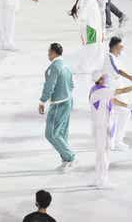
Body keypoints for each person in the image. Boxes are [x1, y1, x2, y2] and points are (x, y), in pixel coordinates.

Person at [89, 69, 132, 189]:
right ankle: (102, 181)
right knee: (104, 154)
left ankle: (98, 178)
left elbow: (112, 100)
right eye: (104, 77)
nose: (106, 78)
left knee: (102, 154)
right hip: (101, 127)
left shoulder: (98, 89)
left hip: (102, 126)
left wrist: (127, 106)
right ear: (99, 80)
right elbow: (120, 91)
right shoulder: (100, 91)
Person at [38, 43, 75, 171]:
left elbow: (49, 85)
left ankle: (69, 156)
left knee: (51, 133)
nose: (48, 54)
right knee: (62, 132)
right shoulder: (66, 66)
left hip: (59, 104)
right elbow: (71, 84)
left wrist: (42, 101)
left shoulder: (54, 67)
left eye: (49, 52)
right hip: (68, 100)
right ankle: (65, 158)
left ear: (53, 52)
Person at [102, 36, 132, 151]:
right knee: (121, 113)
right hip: (112, 92)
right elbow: (118, 71)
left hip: (116, 90)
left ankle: (114, 141)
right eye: (121, 47)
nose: (122, 50)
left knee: (124, 113)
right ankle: (115, 141)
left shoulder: (113, 58)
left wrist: (131, 78)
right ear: (115, 47)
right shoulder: (109, 58)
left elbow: (118, 72)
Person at [69, 0, 105, 73]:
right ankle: (83, 66)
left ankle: (92, 65)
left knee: (97, 45)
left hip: (94, 23)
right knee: (92, 46)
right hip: (90, 25)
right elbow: (81, 13)